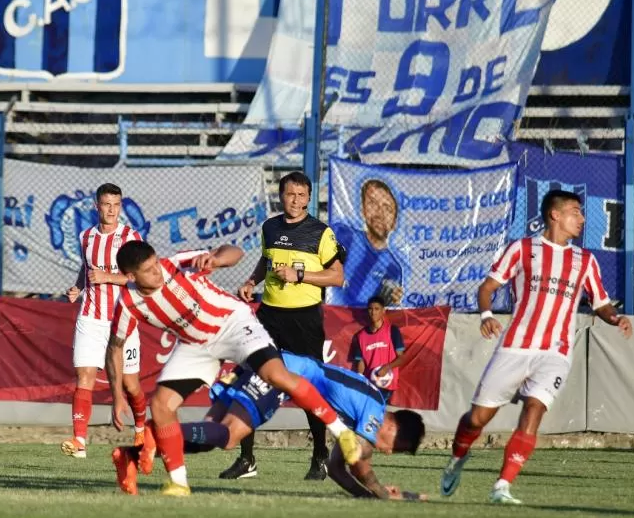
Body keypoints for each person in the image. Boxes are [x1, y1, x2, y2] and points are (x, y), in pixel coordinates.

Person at [105, 240, 364, 496]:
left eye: (155, 264)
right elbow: (115, 347)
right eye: (148, 271)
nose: (157, 272)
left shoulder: (176, 264)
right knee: (161, 405)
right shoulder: (128, 303)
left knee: (276, 375)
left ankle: (342, 434)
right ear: (130, 276)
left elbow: (234, 251)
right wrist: (117, 395)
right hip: (195, 344)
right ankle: (179, 484)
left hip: (233, 325)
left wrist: (217, 259)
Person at [440, 189, 633, 504]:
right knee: (477, 419)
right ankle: (457, 457)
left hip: (556, 352)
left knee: (534, 409)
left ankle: (502, 486)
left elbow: (600, 302)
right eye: (576, 211)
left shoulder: (585, 260)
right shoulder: (522, 249)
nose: (582, 218)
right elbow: (488, 286)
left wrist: (616, 318)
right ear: (554, 214)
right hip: (515, 347)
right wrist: (486, 315)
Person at [112, 351, 428, 500]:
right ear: (394, 428)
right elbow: (359, 463)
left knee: (211, 434)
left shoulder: (364, 408)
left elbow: (335, 468)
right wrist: (384, 494)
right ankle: (157, 431)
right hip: (278, 373)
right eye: (394, 448)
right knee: (230, 436)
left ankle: (133, 452)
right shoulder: (374, 412)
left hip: (260, 365)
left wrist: (366, 497)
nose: (387, 452)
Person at [228, 171, 345, 482]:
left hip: (304, 319)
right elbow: (267, 262)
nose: (295, 200)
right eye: (290, 194)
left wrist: (301, 276)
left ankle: (320, 457)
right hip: (268, 316)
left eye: (302, 195)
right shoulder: (270, 226)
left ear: (309, 199)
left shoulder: (321, 233)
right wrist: (253, 281)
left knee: (308, 390)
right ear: (281, 196)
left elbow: (337, 276)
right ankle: (246, 459)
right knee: (250, 381)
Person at [63, 183, 147, 458]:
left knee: (130, 384)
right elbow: (87, 268)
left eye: (116, 205)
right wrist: (78, 287)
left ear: (120, 207)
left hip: (122, 320)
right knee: (84, 376)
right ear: (96, 206)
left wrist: (108, 277)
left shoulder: (130, 238)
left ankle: (140, 430)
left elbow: (140, 278)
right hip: (90, 316)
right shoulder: (86, 237)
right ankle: (79, 441)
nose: (111, 210)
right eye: (106, 204)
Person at [328, 179, 405, 307]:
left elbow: (383, 312)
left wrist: (394, 304)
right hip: (334, 318)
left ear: (394, 223)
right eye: (373, 203)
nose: (380, 213)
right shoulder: (343, 235)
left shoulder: (394, 268)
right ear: (363, 210)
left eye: (387, 208)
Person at [350, 295, 408, 404]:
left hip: (386, 382)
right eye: (370, 309)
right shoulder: (360, 336)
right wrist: (359, 378)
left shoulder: (392, 330)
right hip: (369, 384)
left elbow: (402, 358)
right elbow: (360, 362)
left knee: (374, 410)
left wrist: (387, 367)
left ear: (383, 311)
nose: (373, 312)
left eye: (377, 309)